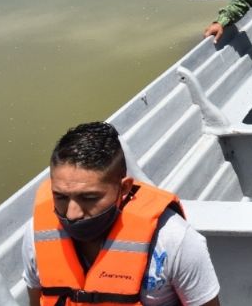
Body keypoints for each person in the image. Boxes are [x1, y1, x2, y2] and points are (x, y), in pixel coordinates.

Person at [22, 122, 220, 306]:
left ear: (124, 188)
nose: (72, 214)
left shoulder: (174, 241)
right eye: (61, 196)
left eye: (89, 198)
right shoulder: (36, 235)